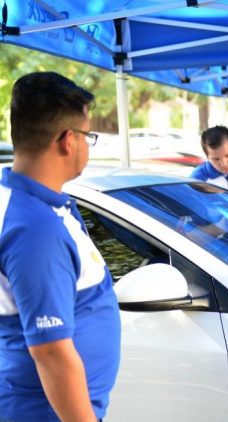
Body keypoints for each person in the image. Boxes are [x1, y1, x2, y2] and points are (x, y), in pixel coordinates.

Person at [0, 72, 120, 421]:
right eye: (88, 135)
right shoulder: (36, 229)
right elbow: (51, 352)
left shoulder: (43, 206)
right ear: (68, 140)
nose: (87, 145)